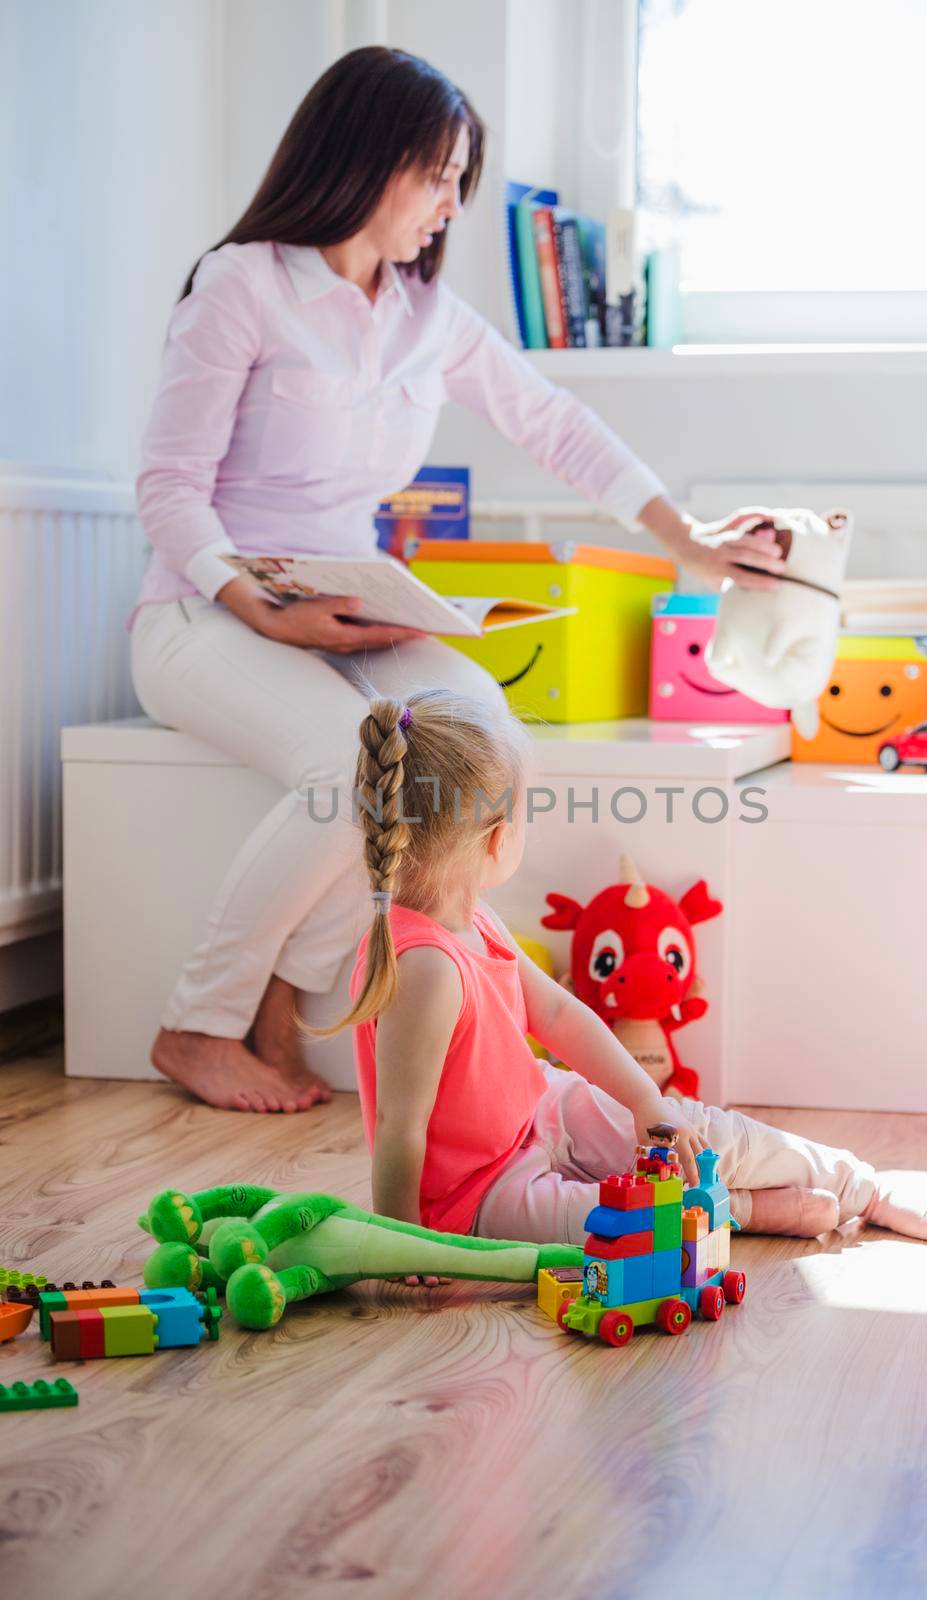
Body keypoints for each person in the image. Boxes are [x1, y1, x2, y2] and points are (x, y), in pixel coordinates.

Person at [128, 46, 787, 1116]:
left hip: (349, 601)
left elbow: (554, 423)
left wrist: (690, 540)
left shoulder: (425, 315)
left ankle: (295, 986)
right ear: (365, 159)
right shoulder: (244, 281)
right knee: (355, 763)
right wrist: (258, 608)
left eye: (456, 183)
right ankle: (197, 1023)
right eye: (437, 175)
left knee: (478, 740)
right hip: (204, 608)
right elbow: (166, 486)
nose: (447, 205)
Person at [319, 687, 927, 1245]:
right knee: (612, 1222)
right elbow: (399, 1131)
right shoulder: (426, 969)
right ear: (496, 837)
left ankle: (862, 1188)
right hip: (476, 1195)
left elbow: (560, 1015)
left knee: (693, 1127)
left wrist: (644, 1102)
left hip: (542, 1109)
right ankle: (743, 1211)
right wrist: (403, 1246)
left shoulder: (476, 919)